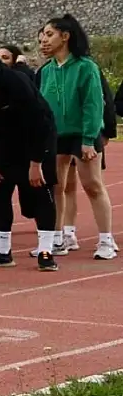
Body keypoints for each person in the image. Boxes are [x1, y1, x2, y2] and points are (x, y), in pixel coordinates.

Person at [0, 52, 59, 271]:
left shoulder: (15, 81)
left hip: (37, 139)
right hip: (3, 142)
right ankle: (2, 251)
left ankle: (46, 250)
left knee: (39, 192)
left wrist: (36, 163)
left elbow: (40, 121)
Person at [36, 14, 116, 260]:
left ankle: (106, 240)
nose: (44, 42)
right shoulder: (46, 71)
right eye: (41, 39)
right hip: (56, 135)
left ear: (66, 36)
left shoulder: (85, 67)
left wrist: (89, 139)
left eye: (49, 35)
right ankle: (63, 236)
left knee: (92, 184)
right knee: (58, 186)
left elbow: (94, 104)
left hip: (82, 133)